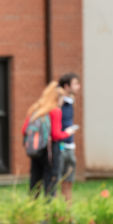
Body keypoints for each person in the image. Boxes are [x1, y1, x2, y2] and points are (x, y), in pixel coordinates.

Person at [22, 82, 75, 198]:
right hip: (50, 151)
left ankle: (32, 209)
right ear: (57, 98)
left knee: (35, 180)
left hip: (36, 151)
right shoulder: (55, 111)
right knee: (51, 180)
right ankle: (48, 210)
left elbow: (24, 130)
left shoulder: (36, 109)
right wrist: (68, 133)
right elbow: (56, 135)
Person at [57, 72, 81, 202]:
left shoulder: (71, 101)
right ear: (66, 86)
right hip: (59, 146)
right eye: (76, 83)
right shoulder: (58, 101)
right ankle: (54, 211)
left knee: (69, 181)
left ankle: (67, 213)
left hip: (70, 147)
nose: (78, 87)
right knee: (56, 180)